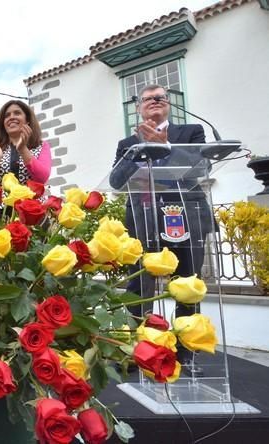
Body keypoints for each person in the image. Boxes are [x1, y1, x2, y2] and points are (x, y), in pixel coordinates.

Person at [110, 84, 212, 375]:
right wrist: (139, 151)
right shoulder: (127, 143)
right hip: (145, 220)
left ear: (168, 104)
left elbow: (200, 169)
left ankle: (186, 355)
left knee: (187, 286)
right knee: (139, 286)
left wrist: (167, 148)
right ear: (139, 108)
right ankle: (136, 352)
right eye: (148, 99)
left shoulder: (191, 133)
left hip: (186, 217)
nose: (154, 102)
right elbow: (117, 180)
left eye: (160, 98)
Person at [0, 100, 52, 187]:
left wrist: (22, 149)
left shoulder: (41, 146)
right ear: (3, 123)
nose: (11, 117)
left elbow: (42, 178)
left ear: (27, 120)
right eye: (7, 116)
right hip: (2, 201)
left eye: (17, 113)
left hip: (32, 200)